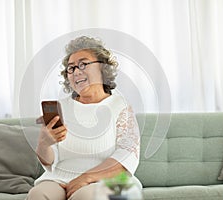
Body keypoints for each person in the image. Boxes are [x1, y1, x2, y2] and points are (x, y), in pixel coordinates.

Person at [26, 36, 141, 200]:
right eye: (71, 68)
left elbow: (127, 157)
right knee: (38, 194)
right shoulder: (61, 108)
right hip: (59, 178)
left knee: (87, 196)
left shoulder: (120, 106)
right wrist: (44, 144)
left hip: (105, 179)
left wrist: (85, 178)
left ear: (102, 67)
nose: (76, 72)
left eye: (83, 64)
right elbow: (50, 162)